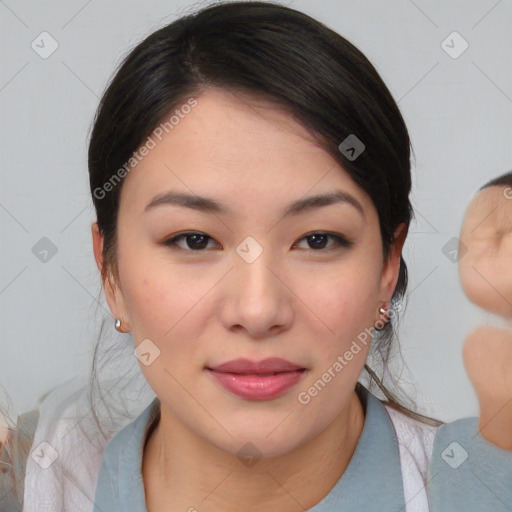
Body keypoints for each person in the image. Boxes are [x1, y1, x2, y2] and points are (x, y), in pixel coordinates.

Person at [0, 2, 510, 511]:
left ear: (386, 268)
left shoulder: (488, 489)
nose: (258, 309)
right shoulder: (35, 486)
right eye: (194, 240)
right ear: (110, 273)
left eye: (317, 240)